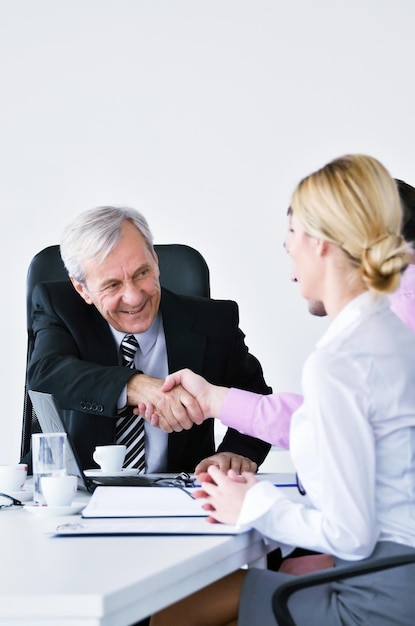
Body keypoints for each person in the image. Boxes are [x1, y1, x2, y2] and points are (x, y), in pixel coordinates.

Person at [148, 154, 415, 625]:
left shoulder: (341, 361)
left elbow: (350, 534)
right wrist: (216, 401)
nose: (287, 253)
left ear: (320, 244)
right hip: (397, 578)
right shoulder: (388, 335)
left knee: (171, 614)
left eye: (289, 238)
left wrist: (253, 503)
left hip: (378, 597)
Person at [27, 205, 281, 474]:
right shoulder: (59, 307)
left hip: (177, 496)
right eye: (113, 285)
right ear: (83, 289)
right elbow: (46, 374)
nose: (135, 297)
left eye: (142, 273)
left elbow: (256, 396)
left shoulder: (214, 323)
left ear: (156, 261)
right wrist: (135, 386)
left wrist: (235, 452)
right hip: (71, 491)